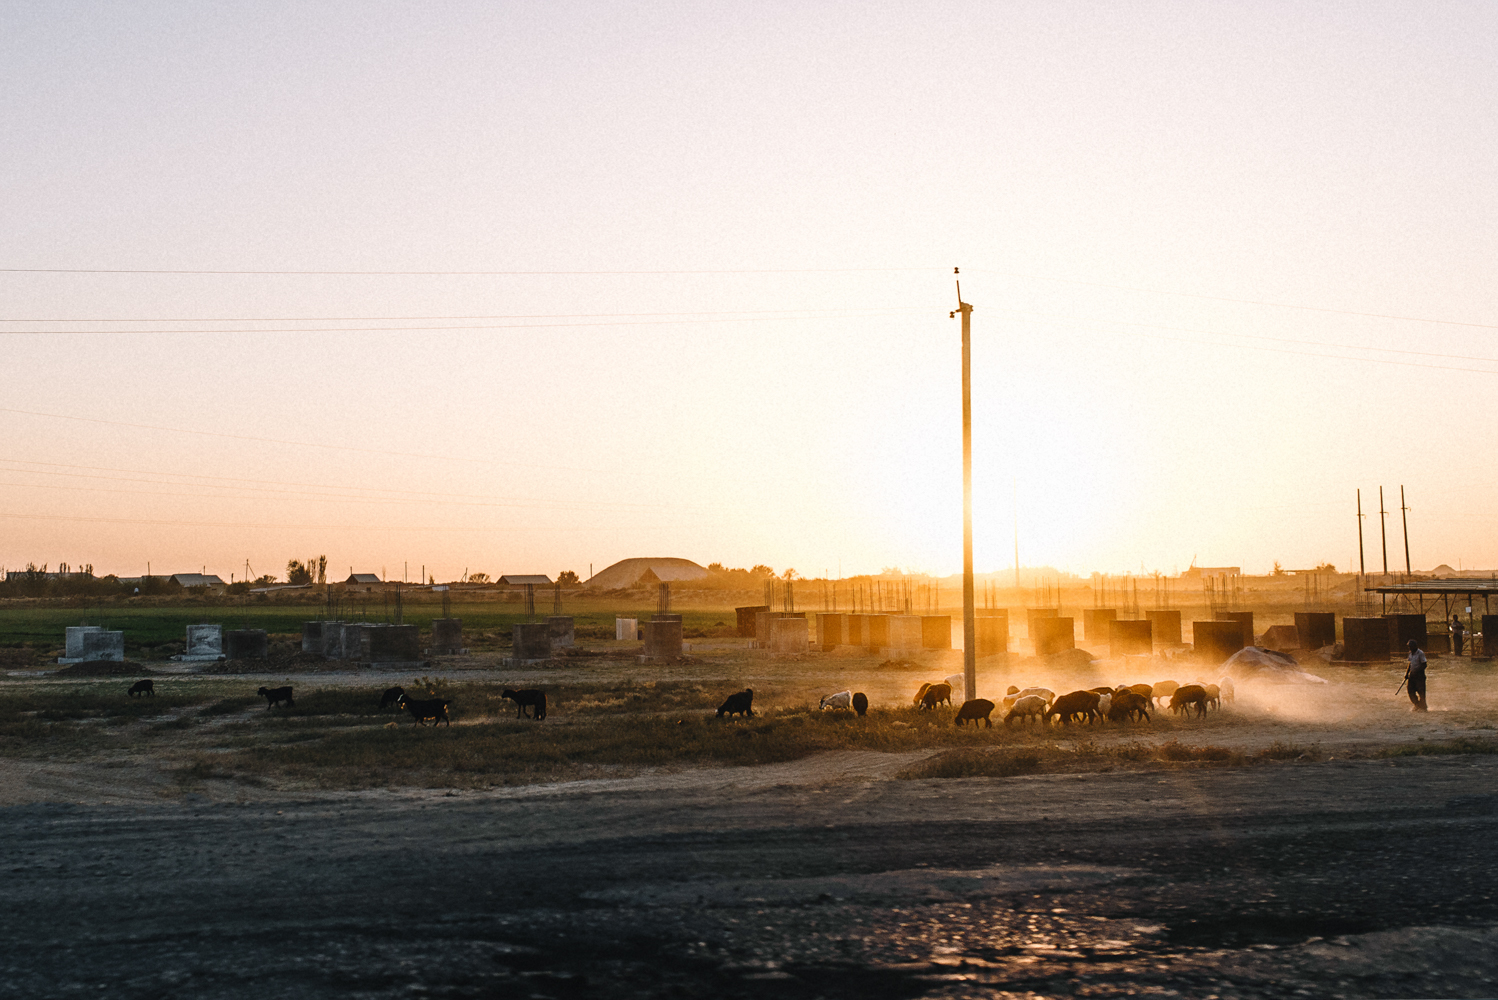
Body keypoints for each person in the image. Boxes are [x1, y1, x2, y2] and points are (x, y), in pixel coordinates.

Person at [1405, 639, 1428, 712]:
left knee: (1421, 692)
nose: (1410, 648)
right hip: (1412, 675)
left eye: (1411, 647)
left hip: (1419, 676)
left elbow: (1424, 665)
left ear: (1415, 646)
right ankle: (1417, 704)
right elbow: (1410, 664)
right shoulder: (1410, 653)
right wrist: (1407, 674)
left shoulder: (1420, 653)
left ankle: (1423, 706)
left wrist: (1417, 671)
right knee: (1410, 691)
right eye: (1409, 647)